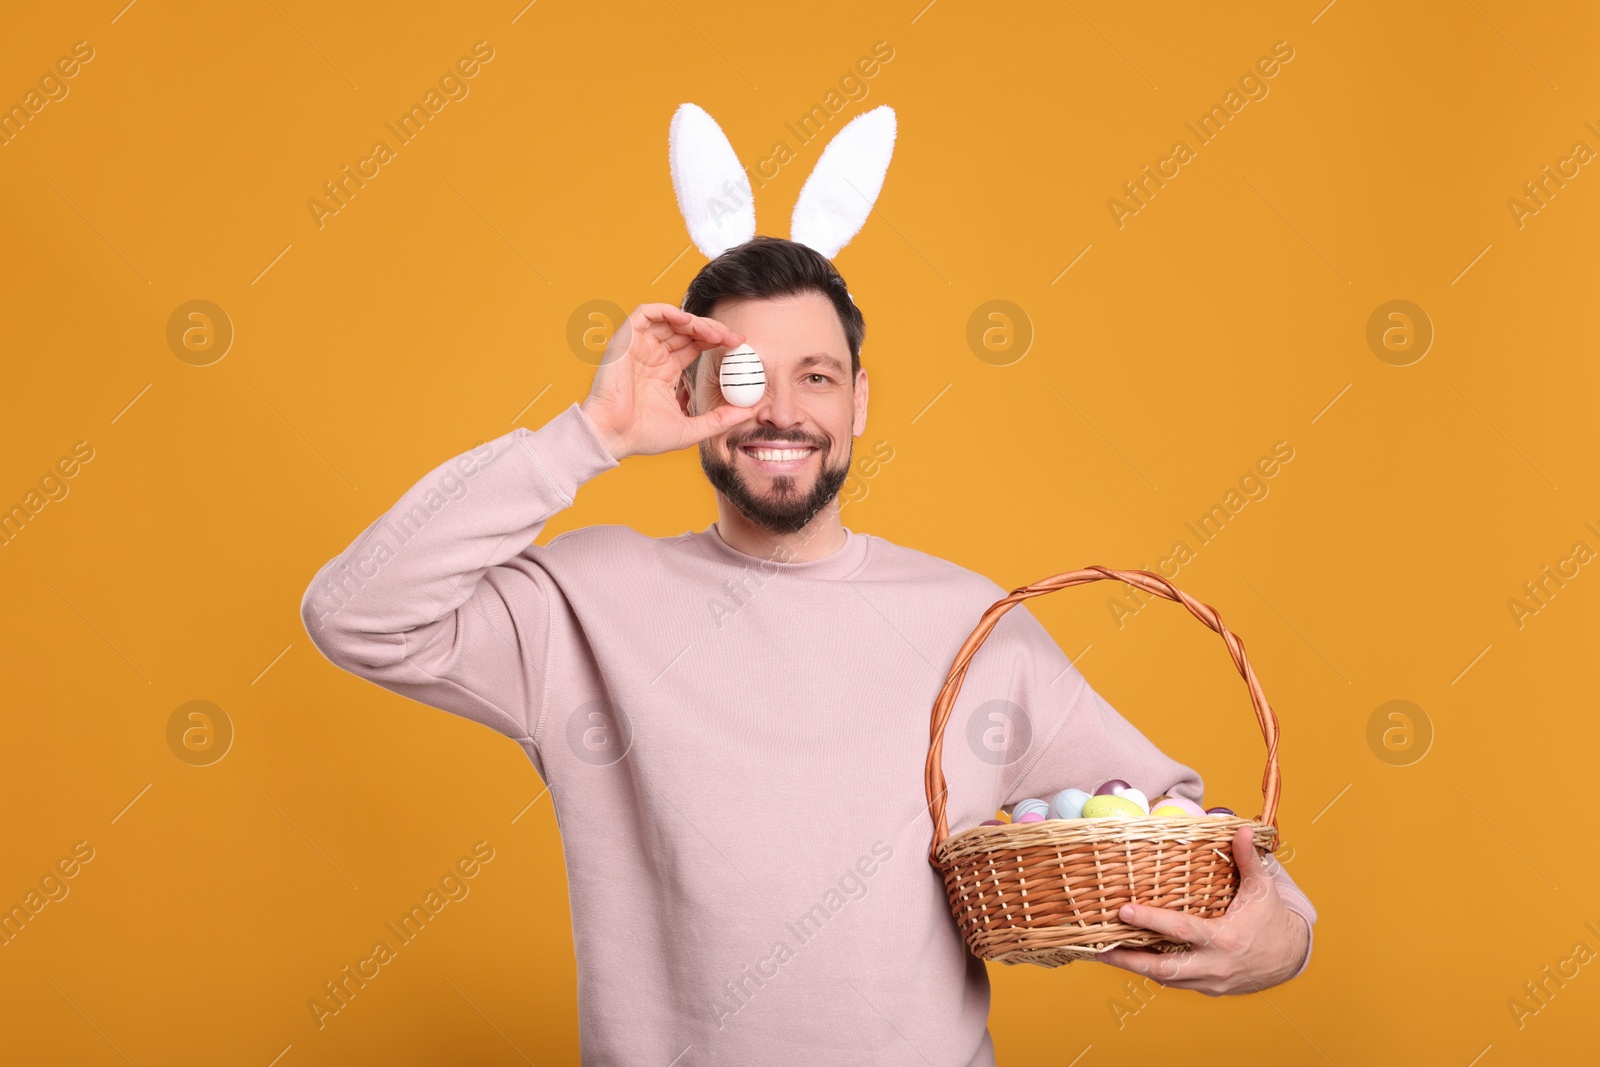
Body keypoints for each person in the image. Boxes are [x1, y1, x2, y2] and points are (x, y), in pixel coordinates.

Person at [300, 236, 1316, 1065]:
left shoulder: (970, 623)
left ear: (859, 401)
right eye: (743, 377)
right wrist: (592, 431)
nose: (781, 410)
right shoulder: (585, 601)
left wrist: (1282, 935)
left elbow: (1180, 828)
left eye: (815, 376)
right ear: (694, 393)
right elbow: (356, 612)